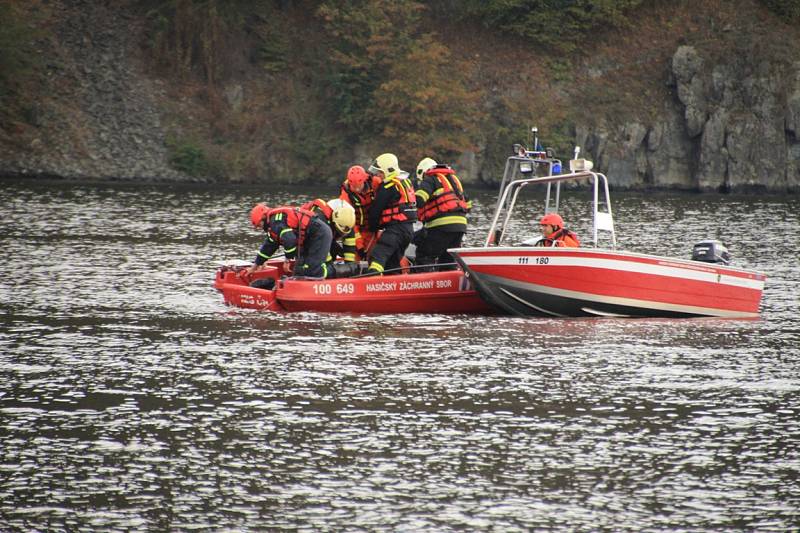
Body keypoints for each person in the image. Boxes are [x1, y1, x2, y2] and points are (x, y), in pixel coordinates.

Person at [412, 157, 471, 271]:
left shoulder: (430, 179)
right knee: (447, 259)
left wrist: (408, 201)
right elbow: (468, 205)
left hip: (441, 226)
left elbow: (419, 200)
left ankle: (424, 283)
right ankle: (447, 281)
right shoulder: (454, 181)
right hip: (460, 227)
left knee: (424, 255)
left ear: (424, 172)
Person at [247, 202, 334, 279]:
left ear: (264, 217)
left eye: (259, 225)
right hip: (309, 238)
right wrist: (255, 265)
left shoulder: (276, 222)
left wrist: (287, 260)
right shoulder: (273, 226)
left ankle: (341, 271)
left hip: (319, 234)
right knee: (299, 270)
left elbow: (290, 239)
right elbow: (268, 247)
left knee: (313, 271)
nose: (260, 228)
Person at [365, 153, 417, 275]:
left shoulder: (387, 186)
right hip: (408, 231)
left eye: (380, 172)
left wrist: (372, 227)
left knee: (377, 256)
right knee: (392, 263)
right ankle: (395, 285)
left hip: (395, 231)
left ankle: (373, 283)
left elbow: (376, 210)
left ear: (388, 171)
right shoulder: (406, 182)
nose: (378, 175)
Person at [339, 165, 382, 262]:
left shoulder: (375, 182)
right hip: (358, 228)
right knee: (356, 256)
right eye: (354, 187)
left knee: (377, 255)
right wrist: (359, 245)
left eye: (359, 186)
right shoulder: (345, 195)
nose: (357, 189)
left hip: (374, 228)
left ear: (365, 179)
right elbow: (349, 222)